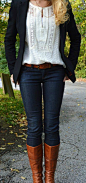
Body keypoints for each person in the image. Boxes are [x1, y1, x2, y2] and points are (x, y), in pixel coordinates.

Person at [5, 0, 81, 182]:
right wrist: (13, 68)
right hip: (27, 72)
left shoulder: (63, 5)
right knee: (34, 127)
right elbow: (9, 39)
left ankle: (49, 178)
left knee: (52, 126)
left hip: (55, 72)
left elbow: (75, 38)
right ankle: (37, 178)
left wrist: (69, 67)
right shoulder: (19, 4)